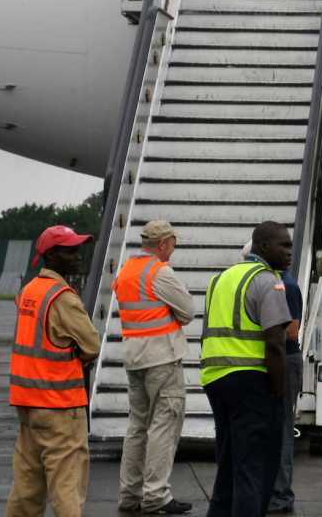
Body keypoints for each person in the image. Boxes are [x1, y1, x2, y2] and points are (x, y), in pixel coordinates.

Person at [6, 225, 100, 517]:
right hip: (60, 406)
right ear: (51, 256)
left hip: (28, 404)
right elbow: (92, 345)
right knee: (66, 488)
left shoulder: (29, 291)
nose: (77, 255)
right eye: (69, 251)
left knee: (26, 489)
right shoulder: (63, 298)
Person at [200, 222, 293, 517]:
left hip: (216, 379)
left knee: (228, 465)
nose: (290, 252)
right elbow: (276, 343)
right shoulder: (269, 281)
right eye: (284, 245)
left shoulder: (221, 278)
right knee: (254, 469)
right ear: (263, 247)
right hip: (252, 382)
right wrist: (279, 391)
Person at [114, 220, 195, 515]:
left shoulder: (126, 271)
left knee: (137, 426)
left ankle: (130, 494)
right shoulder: (160, 272)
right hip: (162, 358)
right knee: (165, 424)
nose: (174, 248)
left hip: (134, 358)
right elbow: (188, 310)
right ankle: (156, 495)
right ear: (162, 244)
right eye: (173, 243)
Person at [267, 264, 304, 514]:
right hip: (277, 359)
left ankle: (281, 495)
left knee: (282, 428)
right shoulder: (274, 285)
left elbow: (291, 331)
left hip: (285, 361)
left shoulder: (287, 287)